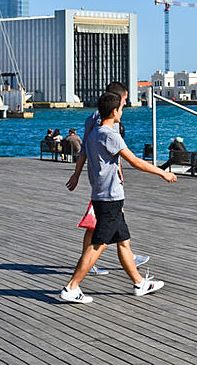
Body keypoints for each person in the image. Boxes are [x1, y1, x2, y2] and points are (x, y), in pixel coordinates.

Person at [58, 91, 177, 304]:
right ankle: (71, 287)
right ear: (114, 112)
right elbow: (135, 161)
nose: (122, 112)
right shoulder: (110, 134)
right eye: (121, 109)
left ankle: (139, 283)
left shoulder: (93, 133)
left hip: (103, 194)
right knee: (98, 244)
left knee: (123, 241)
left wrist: (76, 175)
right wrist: (163, 172)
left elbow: (85, 155)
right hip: (110, 197)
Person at [67, 81, 149, 275]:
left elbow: (85, 149)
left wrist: (77, 174)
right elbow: (109, 151)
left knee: (110, 220)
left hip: (98, 178)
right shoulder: (104, 123)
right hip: (106, 181)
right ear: (117, 101)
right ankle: (85, 267)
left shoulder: (92, 119)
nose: (126, 103)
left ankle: (127, 255)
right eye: (125, 99)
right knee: (96, 226)